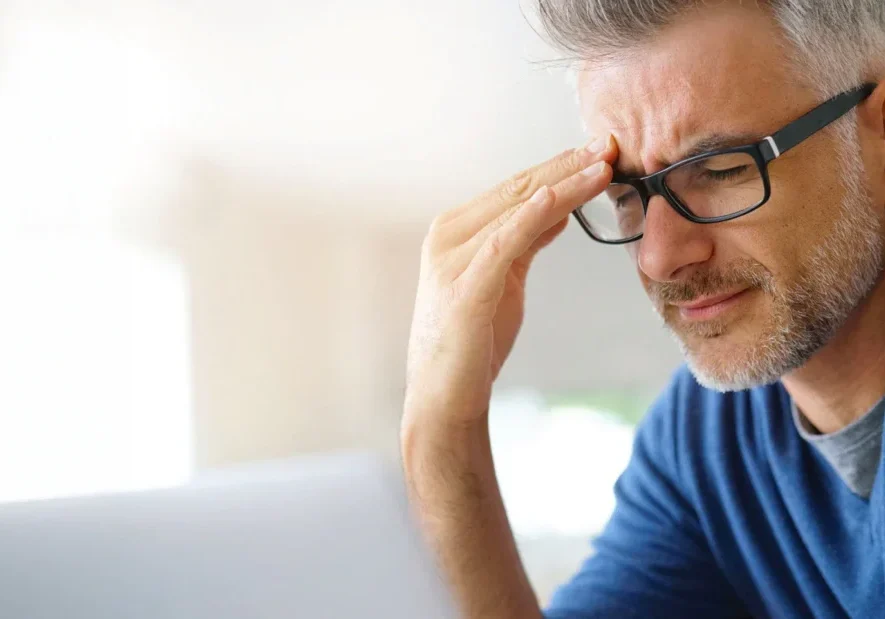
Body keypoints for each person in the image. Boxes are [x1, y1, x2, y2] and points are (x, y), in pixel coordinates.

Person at [400, 1, 885, 617]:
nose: (659, 257)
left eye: (720, 169)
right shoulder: (707, 434)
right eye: (626, 194)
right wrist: (443, 428)